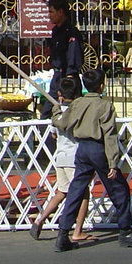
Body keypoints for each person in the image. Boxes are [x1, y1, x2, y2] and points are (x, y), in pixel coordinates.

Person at [52, 68, 132, 251]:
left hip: (82, 150)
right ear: (101, 86)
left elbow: (62, 123)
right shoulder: (105, 106)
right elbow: (109, 135)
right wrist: (113, 162)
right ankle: (126, 231)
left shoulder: (78, 103)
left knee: (76, 190)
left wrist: (55, 110)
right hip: (98, 150)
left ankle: (63, 234)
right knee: (119, 189)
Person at [29, 75, 92, 243]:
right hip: (75, 158)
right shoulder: (79, 112)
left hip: (60, 157)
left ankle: (39, 220)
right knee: (84, 193)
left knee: (62, 192)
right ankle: (78, 230)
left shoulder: (56, 114)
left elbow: (54, 134)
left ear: (59, 94)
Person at [42, 0, 83, 119]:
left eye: (51, 12)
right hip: (57, 77)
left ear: (60, 12)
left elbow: (73, 55)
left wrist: (69, 80)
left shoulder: (71, 33)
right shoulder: (55, 31)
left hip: (67, 78)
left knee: (72, 114)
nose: (49, 16)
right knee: (47, 113)